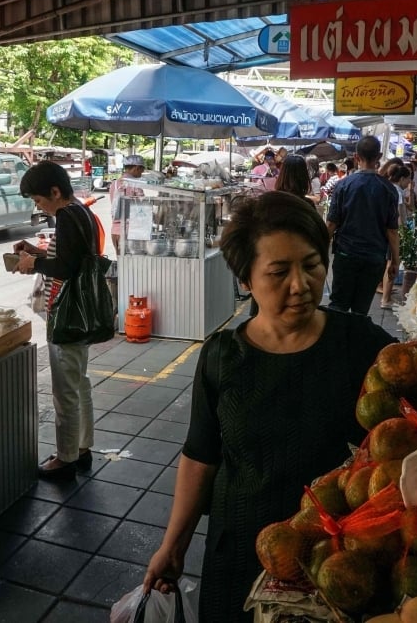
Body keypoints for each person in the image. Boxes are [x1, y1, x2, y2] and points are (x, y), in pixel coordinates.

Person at [143, 191, 397, 621]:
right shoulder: (223, 356)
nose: (300, 285)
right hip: (241, 549)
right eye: (278, 272)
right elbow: (200, 456)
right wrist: (173, 545)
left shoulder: (363, 345)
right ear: (245, 280)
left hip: (337, 559)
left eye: (313, 265)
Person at [11, 161, 100, 480]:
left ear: (54, 191)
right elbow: (72, 257)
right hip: (81, 314)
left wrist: (31, 263)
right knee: (80, 383)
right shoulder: (82, 211)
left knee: (65, 390)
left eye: (38, 200)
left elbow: (65, 268)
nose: (39, 206)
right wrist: (36, 251)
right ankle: (82, 448)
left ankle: (66, 459)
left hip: (67, 314)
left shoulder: (66, 215)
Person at [325, 135, 400, 314]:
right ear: (379, 156)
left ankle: (338, 341)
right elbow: (392, 231)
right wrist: (395, 261)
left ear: (356, 157)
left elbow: (331, 224)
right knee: (361, 309)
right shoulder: (388, 189)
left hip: (346, 255)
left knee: (338, 307)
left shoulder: (343, 186)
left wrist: (320, 252)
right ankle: (356, 340)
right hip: (374, 258)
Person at [379, 164, 412, 308]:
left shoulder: (387, 187)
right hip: (394, 232)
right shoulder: (396, 191)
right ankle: (386, 299)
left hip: (387, 231)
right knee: (392, 263)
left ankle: (386, 296)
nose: (409, 183)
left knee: (389, 263)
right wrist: (401, 233)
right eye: (408, 179)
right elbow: (397, 216)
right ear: (402, 178)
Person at [109, 155, 145, 254]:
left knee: (122, 264)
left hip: (115, 231)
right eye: (142, 170)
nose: (142, 173)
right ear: (137, 168)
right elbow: (143, 206)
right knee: (132, 266)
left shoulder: (114, 184)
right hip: (131, 232)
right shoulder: (135, 184)